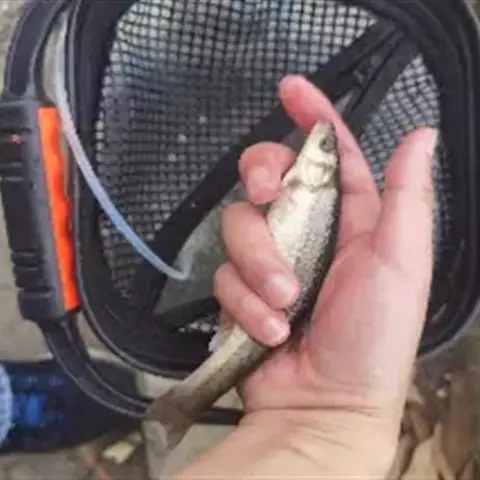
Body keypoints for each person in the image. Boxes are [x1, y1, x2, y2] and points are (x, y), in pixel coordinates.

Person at [175, 74, 437, 478]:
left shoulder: (315, 186)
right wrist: (330, 425)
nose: (319, 144)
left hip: (305, 380)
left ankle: (184, 404)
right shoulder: (315, 188)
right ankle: (186, 402)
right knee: (253, 218)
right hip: (314, 402)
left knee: (252, 229)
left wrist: (330, 422)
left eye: (324, 148)